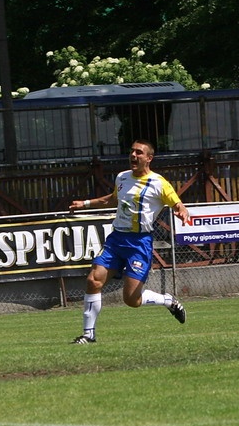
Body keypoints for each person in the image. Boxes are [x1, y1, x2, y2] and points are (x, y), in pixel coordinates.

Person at [67, 140, 190, 344]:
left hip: (139, 243)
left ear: (149, 158)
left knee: (131, 300)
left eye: (139, 152)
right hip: (116, 239)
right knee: (93, 280)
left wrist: (182, 211)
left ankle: (167, 300)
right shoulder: (122, 177)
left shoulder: (159, 183)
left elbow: (177, 203)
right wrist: (85, 203)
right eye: (132, 151)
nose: (133, 155)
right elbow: (112, 199)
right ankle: (89, 335)